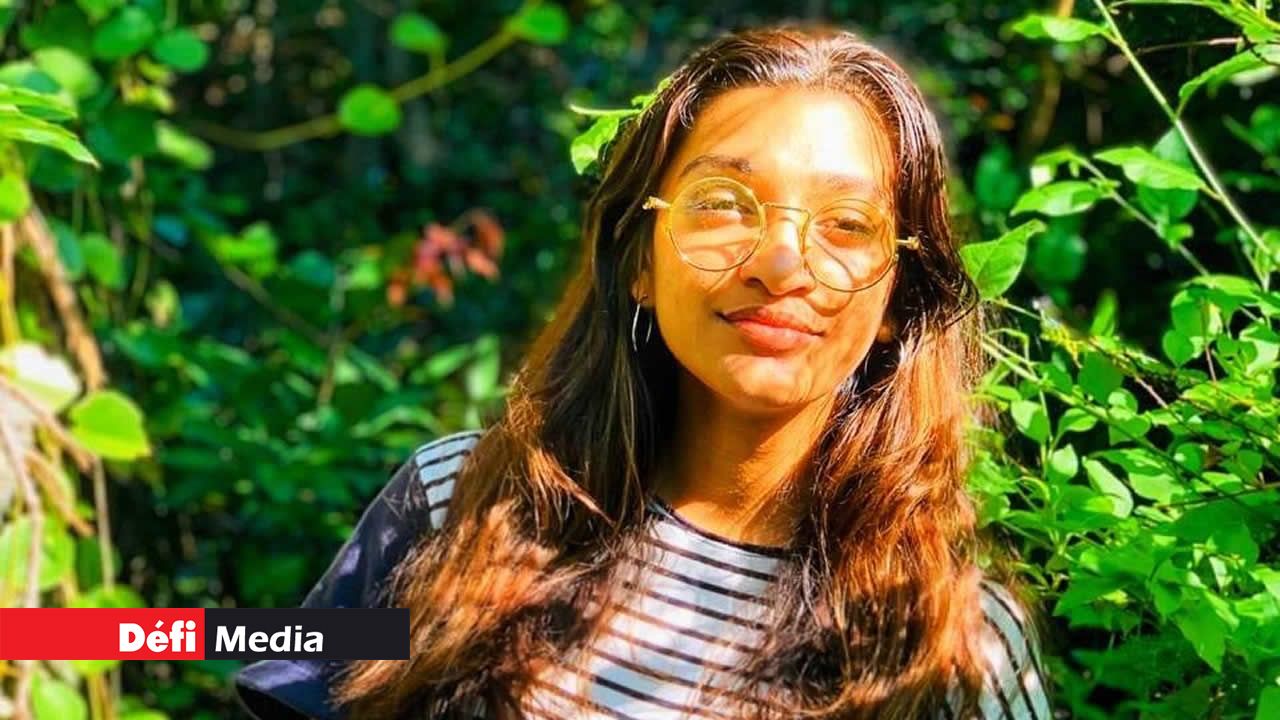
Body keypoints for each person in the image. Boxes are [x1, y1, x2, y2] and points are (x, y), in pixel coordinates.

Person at [234, 21, 1055, 720]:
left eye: (847, 224)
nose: (781, 264)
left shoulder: (955, 644)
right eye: (724, 204)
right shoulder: (456, 502)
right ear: (640, 261)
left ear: (898, 299)